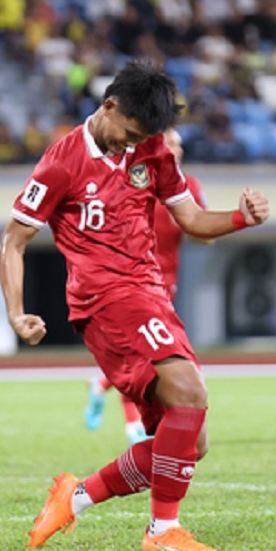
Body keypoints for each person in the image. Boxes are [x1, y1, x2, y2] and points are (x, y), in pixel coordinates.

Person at [0, 60, 270, 551]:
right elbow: (12, 241)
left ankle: (73, 498)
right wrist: (16, 312)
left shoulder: (153, 150)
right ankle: (162, 531)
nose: (133, 143)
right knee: (189, 390)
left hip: (150, 296)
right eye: (129, 131)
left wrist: (239, 218)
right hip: (104, 299)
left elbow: (190, 219)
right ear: (109, 106)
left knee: (191, 440)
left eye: (143, 136)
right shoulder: (61, 161)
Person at [84, 127, 210, 446]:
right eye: (170, 143)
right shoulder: (131, 181)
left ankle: (101, 386)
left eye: (179, 144)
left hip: (166, 283)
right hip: (130, 284)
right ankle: (134, 428)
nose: (176, 150)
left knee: (146, 358)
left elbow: (203, 233)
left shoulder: (189, 187)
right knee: (144, 358)